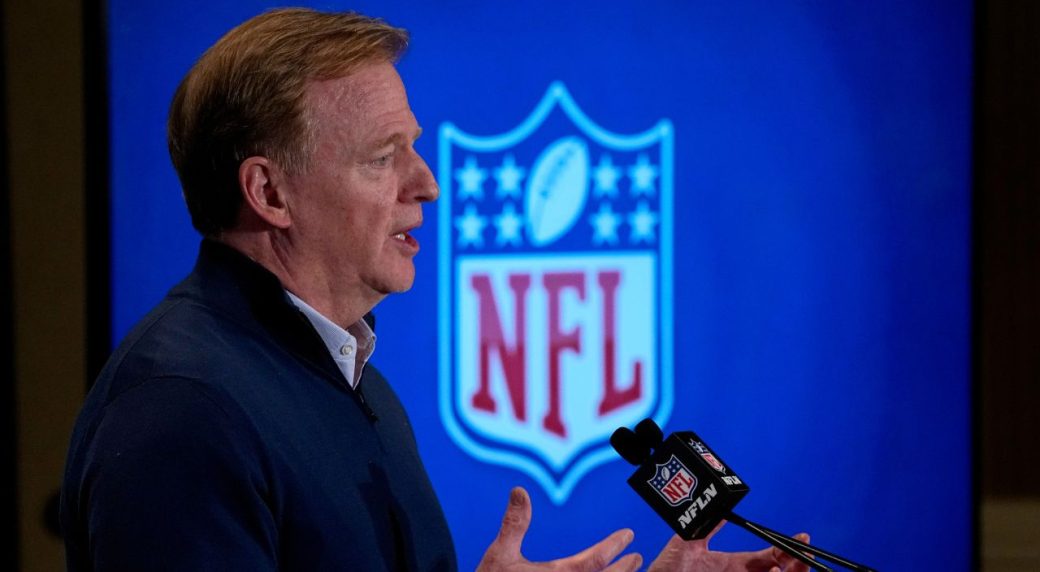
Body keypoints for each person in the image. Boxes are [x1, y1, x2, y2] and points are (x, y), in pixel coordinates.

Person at [61, 8, 810, 571]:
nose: (427, 184)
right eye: (383, 157)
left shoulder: (354, 384)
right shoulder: (184, 411)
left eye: (412, 149)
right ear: (270, 192)